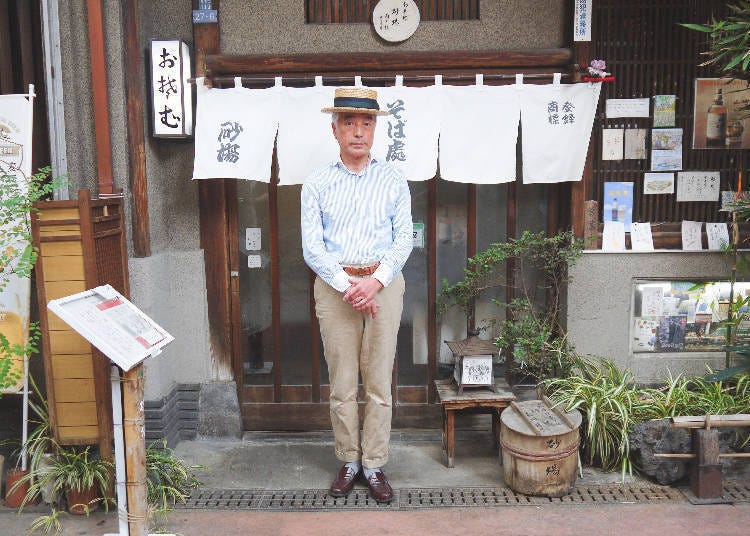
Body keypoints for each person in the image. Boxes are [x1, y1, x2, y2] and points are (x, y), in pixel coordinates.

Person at [300, 87, 413, 503]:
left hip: (384, 286)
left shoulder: (393, 179)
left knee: (380, 380)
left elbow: (404, 239)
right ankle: (348, 460)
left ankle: (375, 463)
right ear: (335, 130)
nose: (358, 131)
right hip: (336, 289)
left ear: (376, 128)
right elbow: (313, 248)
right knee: (343, 382)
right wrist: (350, 286)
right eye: (349, 122)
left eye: (366, 122)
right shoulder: (317, 183)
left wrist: (376, 282)